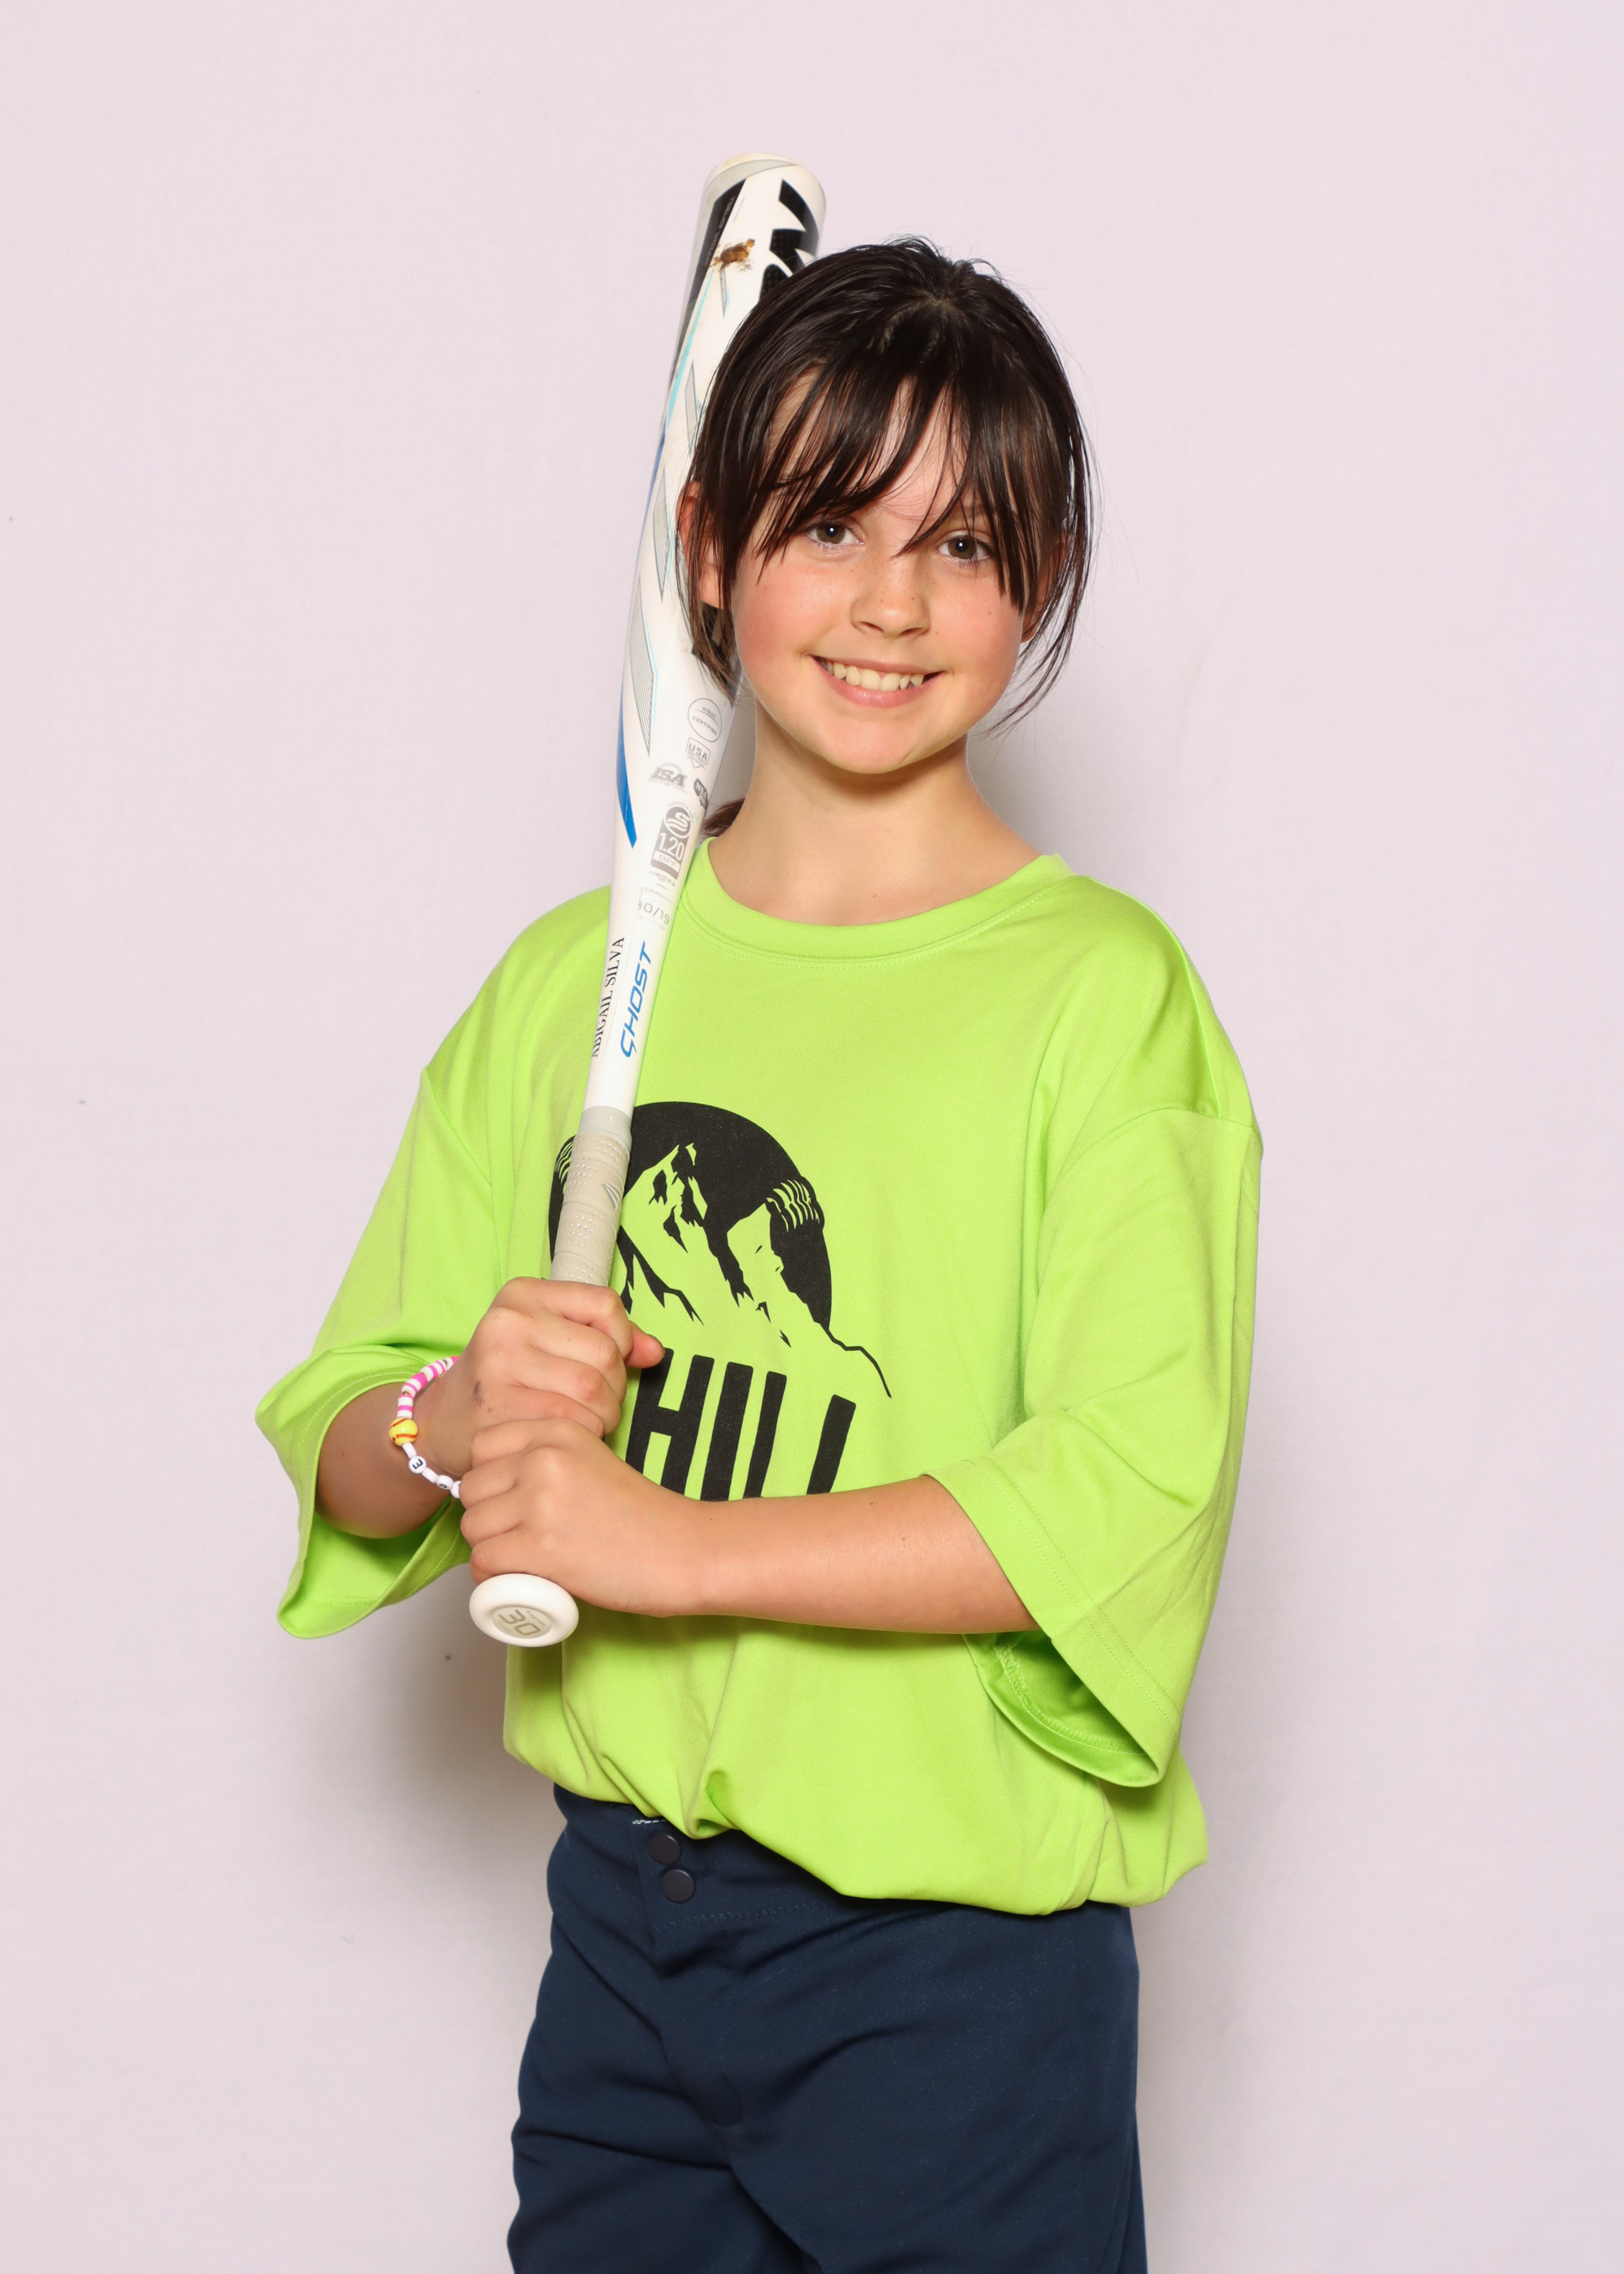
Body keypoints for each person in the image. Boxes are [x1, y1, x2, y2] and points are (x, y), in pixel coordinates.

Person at [259, 239, 1260, 2274]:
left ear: (1043, 584)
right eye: (827, 524)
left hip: (953, 1968)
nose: (893, 601)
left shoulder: (1100, 996)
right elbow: (352, 1446)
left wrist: (671, 1545)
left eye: (964, 542)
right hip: (621, 1944)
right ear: (708, 551)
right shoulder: (565, 985)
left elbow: (1117, 1498)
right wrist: (459, 1410)